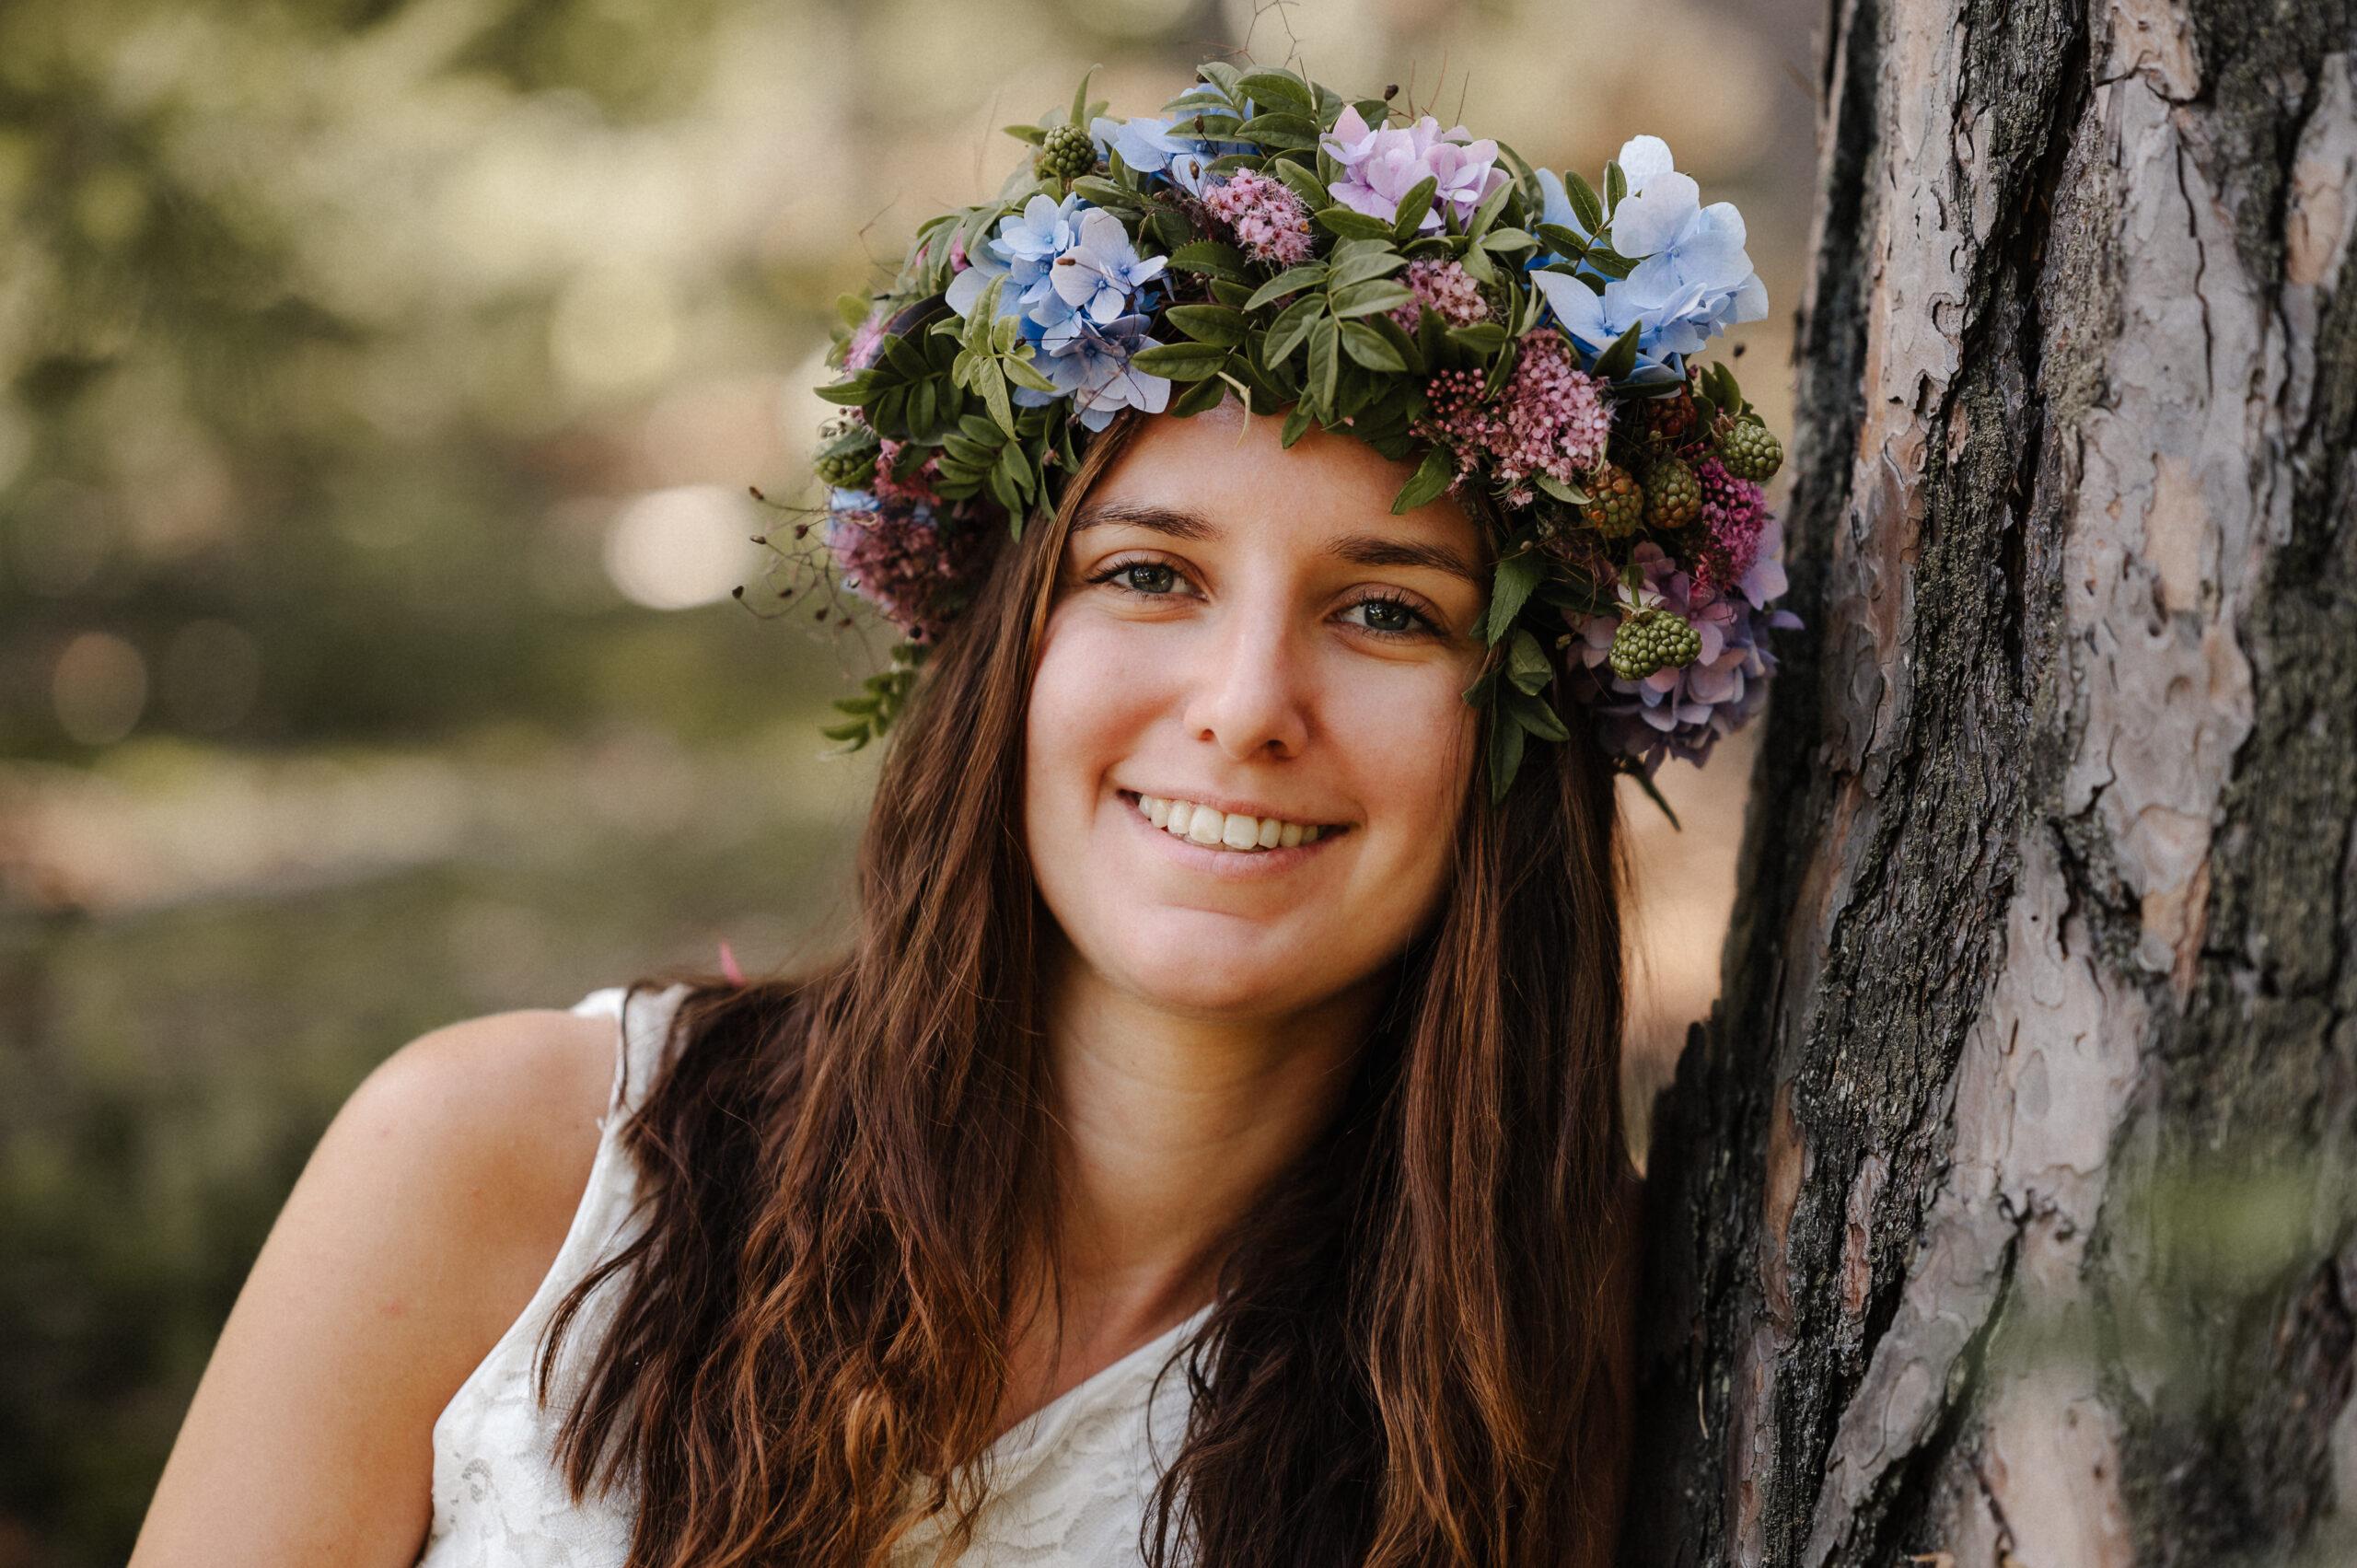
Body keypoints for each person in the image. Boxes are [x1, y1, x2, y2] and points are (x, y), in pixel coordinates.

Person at [134, 63, 1793, 1568]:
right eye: (1150, 574)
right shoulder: (502, 1164)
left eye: (1388, 614)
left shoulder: (1539, 1386)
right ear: (1008, 660)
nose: (1242, 705)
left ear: (1525, 729)